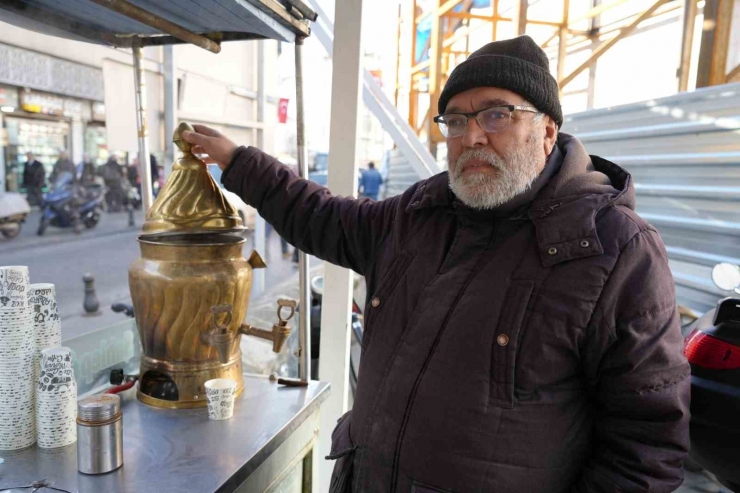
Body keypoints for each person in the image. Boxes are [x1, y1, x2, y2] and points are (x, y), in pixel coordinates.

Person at [183, 35, 689, 493]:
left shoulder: (615, 250)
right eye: (458, 120)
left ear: (548, 130)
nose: (472, 137)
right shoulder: (419, 214)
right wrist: (238, 161)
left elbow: (645, 448)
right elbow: (324, 218)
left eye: (497, 114)